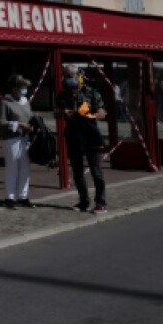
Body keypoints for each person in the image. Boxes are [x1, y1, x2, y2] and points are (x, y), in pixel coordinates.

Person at [56, 64, 108, 213]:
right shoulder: (63, 94)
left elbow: (103, 112)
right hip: (73, 134)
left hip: (90, 133)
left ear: (79, 77)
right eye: (66, 76)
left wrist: (92, 115)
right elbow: (57, 112)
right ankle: (83, 201)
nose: (68, 79)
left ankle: (101, 202)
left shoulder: (91, 93)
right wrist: (63, 112)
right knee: (77, 171)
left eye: (70, 76)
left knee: (96, 170)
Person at [0, 74, 35, 208]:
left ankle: (23, 196)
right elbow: (1, 121)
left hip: (25, 138)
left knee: (25, 168)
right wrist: (18, 124)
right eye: (21, 87)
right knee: (12, 167)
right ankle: (9, 197)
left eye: (25, 87)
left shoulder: (26, 102)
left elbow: (30, 117)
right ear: (14, 88)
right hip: (11, 139)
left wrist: (33, 124)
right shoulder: (5, 102)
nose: (24, 89)